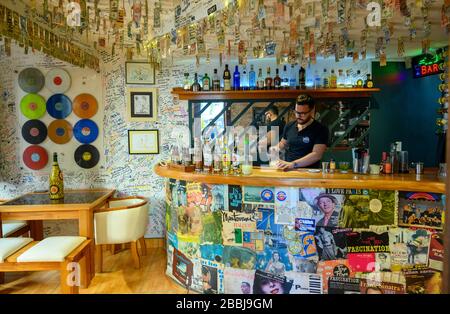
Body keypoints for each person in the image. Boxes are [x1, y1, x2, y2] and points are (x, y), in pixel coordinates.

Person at [270, 94, 328, 170]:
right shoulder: (289, 125)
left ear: (312, 110)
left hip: (308, 173)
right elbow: (283, 143)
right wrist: (276, 148)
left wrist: (293, 164)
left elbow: (316, 155)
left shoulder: (321, 129)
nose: (298, 116)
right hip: (288, 170)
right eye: (297, 112)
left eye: (303, 113)